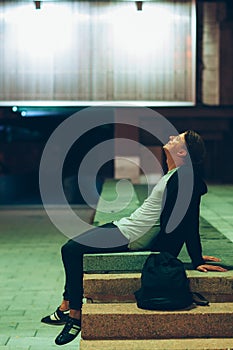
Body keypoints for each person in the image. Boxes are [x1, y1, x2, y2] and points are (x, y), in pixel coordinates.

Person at [41, 130, 227, 346]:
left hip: (130, 235)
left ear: (182, 152)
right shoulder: (174, 173)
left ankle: (75, 316)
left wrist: (196, 259)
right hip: (125, 226)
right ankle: (65, 305)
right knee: (73, 247)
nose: (171, 138)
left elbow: (188, 219)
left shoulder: (186, 178)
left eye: (177, 138)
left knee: (70, 249)